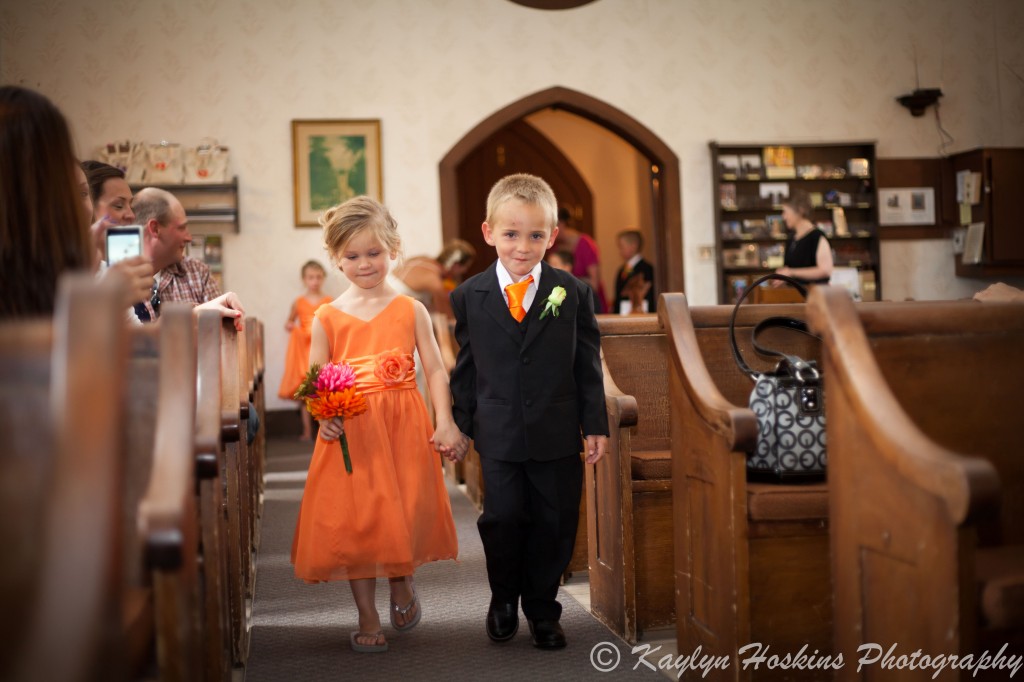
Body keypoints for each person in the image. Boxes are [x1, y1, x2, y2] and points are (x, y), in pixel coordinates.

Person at [290, 196, 462, 654]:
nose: (364, 264)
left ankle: (401, 581)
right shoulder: (326, 316)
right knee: (359, 521)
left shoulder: (411, 309)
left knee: (400, 509)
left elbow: (436, 370)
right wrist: (325, 416)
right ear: (335, 259)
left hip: (403, 426)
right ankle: (366, 614)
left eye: (374, 253)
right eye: (352, 256)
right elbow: (316, 378)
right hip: (352, 430)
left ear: (394, 250)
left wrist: (445, 421)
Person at [449, 174, 608, 649]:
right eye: (511, 234)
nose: (523, 246)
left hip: (557, 430)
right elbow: (466, 368)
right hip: (497, 431)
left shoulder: (573, 292)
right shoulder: (469, 296)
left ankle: (543, 609)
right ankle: (502, 600)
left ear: (553, 237)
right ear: (488, 232)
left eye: (536, 235)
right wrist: (461, 425)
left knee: (554, 521)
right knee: (501, 519)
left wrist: (594, 423)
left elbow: (587, 363)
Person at [0, 85, 246, 331]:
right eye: (69, 193)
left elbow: (138, 343)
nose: (130, 214)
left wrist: (200, 313)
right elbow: (46, 359)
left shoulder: (96, 270)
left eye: (82, 194)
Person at [132, 186, 221, 321]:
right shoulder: (117, 282)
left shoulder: (199, 273)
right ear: (155, 229)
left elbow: (219, 336)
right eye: (182, 228)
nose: (189, 238)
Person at [278, 260, 333, 441]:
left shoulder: (329, 301)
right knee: (306, 392)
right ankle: (308, 431)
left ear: (323, 278)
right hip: (304, 350)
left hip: (322, 348)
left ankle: (326, 430)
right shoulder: (299, 302)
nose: (314, 281)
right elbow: (289, 321)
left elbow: (334, 324)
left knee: (323, 390)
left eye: (318, 277)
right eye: (311, 277)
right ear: (304, 280)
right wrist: (294, 328)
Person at [392, 238, 476, 318]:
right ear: (456, 265)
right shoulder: (434, 281)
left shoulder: (421, 259)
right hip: (391, 311)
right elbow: (447, 317)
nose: (465, 271)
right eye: (466, 267)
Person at [772, 190, 833, 287]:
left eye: (785, 212)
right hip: (794, 298)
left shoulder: (816, 237)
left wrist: (791, 272)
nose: (783, 217)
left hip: (814, 299)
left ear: (800, 210)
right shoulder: (791, 239)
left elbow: (825, 270)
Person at [554, 207, 608, 313]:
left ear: (561, 224)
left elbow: (594, 283)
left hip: (588, 305)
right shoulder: (555, 247)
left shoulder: (585, 244)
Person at [612, 229, 656, 314]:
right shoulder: (622, 270)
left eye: (621, 247)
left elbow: (649, 298)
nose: (620, 251)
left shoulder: (646, 269)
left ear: (633, 246)